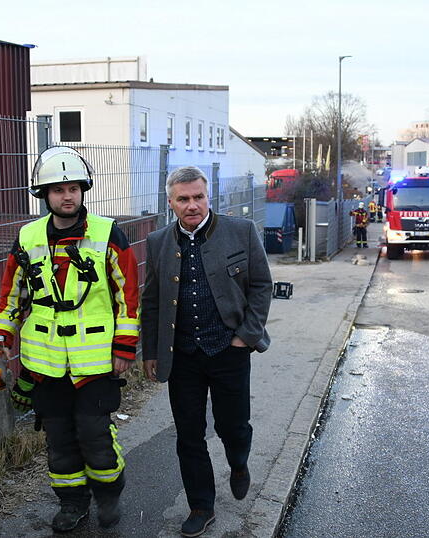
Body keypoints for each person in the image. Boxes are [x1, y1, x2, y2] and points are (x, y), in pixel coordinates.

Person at [0, 146, 140, 533]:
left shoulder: (108, 233)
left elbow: (128, 296)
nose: (67, 196)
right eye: (58, 189)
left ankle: (108, 492)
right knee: (59, 440)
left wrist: (124, 347)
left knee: (94, 435)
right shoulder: (28, 237)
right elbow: (11, 296)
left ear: (84, 190)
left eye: (73, 188)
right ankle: (72, 503)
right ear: (44, 194)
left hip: (95, 361)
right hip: (46, 361)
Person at [141, 166, 272, 537]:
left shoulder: (241, 231)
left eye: (198, 197)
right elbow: (151, 301)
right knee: (189, 434)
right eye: (183, 199)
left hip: (230, 349)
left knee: (233, 426)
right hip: (182, 355)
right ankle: (201, 505)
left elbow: (262, 286)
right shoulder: (158, 241)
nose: (192, 205)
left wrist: (245, 336)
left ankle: (238, 461)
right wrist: (151, 351)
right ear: (171, 203)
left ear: (208, 196)